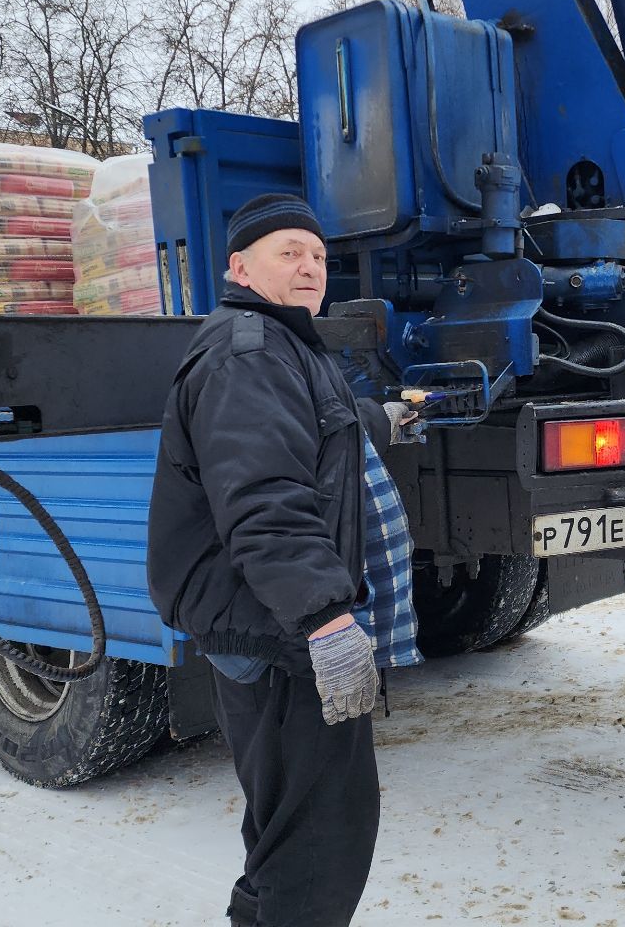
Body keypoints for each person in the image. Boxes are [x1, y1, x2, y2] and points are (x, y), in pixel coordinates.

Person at [147, 192, 419, 927]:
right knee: (320, 844)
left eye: (319, 255)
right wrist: (327, 622)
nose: (309, 267)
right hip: (282, 632)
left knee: (286, 831)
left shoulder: (279, 341)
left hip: (273, 624)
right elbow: (265, 499)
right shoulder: (251, 352)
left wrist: (385, 418)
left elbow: (308, 432)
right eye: (288, 253)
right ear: (240, 265)